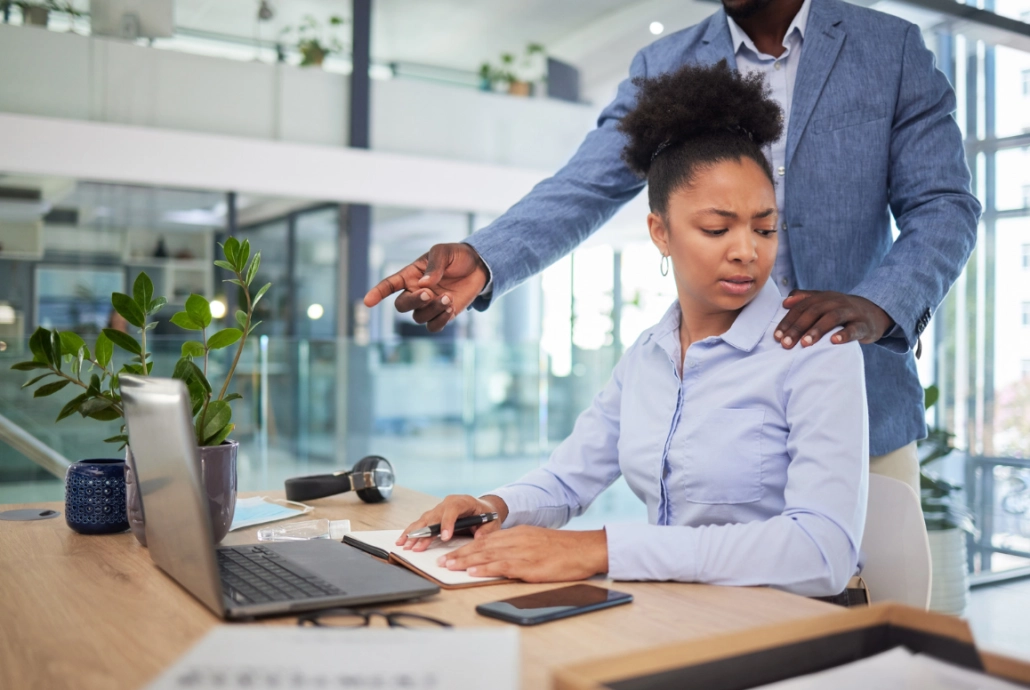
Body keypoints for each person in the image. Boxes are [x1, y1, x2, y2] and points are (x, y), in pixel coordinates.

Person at [365, 0, 980, 493]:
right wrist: (485, 256)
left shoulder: (888, 49)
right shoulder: (667, 63)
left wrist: (880, 304)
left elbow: (944, 204)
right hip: (719, 416)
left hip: (859, 398)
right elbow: (585, 185)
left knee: (872, 618)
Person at [397, 63, 868, 598]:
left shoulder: (816, 348)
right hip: (677, 607)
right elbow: (568, 478)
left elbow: (821, 551)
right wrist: (492, 506)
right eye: (717, 229)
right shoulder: (649, 355)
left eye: (764, 227)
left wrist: (601, 548)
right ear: (660, 233)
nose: (746, 250)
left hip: (779, 623)